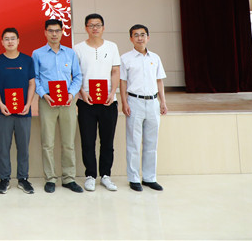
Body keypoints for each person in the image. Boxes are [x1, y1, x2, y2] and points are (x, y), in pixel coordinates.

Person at [33, 19, 83, 194]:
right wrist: (43, 94)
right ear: (45, 32)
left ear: (62, 32)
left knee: (68, 142)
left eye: (57, 31)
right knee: (47, 142)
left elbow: (78, 76)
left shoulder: (70, 53)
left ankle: (69, 178)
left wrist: (71, 94)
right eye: (50, 31)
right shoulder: (37, 54)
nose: (54, 34)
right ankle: (50, 178)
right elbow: (35, 78)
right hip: (47, 101)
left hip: (68, 102)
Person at [73, 14, 121, 192]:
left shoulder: (112, 46)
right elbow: (75, 74)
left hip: (108, 101)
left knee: (107, 141)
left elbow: (115, 71)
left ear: (103, 27)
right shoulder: (78, 48)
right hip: (86, 101)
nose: (95, 28)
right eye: (91, 25)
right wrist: (81, 92)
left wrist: (112, 92)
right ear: (86, 28)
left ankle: (106, 175)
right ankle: (90, 175)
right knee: (88, 140)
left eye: (98, 25)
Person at [120, 24, 168, 192]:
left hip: (153, 102)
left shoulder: (155, 57)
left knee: (151, 142)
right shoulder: (125, 58)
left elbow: (159, 81)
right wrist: (124, 102)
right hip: (135, 102)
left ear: (148, 37)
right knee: (133, 142)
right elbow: (123, 82)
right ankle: (133, 178)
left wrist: (163, 101)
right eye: (136, 35)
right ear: (131, 38)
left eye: (143, 35)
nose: (140, 38)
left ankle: (149, 177)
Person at [0, 27, 36, 195]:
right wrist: (0, 104)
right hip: (4, 112)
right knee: (4, 146)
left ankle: (23, 178)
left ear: (18, 41)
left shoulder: (27, 60)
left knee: (23, 147)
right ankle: (4, 179)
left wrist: (28, 104)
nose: (10, 41)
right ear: (2, 42)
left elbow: (32, 83)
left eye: (13, 38)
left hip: (24, 111)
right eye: (7, 39)